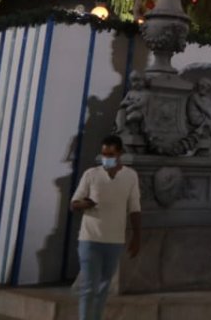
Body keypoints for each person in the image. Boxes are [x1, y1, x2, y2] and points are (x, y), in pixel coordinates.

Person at [71, 135, 141, 320]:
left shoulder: (130, 176)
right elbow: (74, 203)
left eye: (111, 154)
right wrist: (83, 204)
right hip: (90, 239)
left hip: (114, 240)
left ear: (120, 154)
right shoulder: (91, 174)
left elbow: (134, 207)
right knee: (89, 287)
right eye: (104, 154)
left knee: (103, 288)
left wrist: (137, 237)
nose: (106, 157)